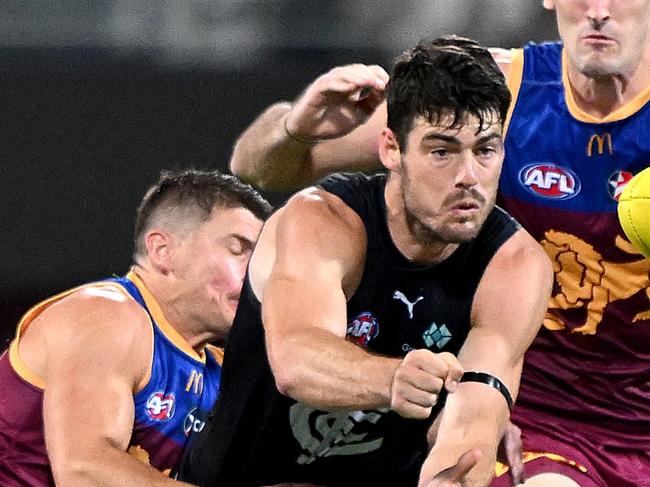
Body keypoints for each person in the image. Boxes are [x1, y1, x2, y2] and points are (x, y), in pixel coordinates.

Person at [226, 2, 650, 486]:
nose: (597, 11)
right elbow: (257, 167)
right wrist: (292, 130)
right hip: (535, 417)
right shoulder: (492, 92)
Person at [177, 39, 552, 487]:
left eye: (485, 150)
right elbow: (296, 360)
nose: (468, 176)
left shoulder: (515, 266)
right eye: (441, 151)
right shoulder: (323, 221)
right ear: (391, 149)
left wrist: (450, 475)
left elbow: (473, 420)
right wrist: (394, 378)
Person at [0, 169, 272, 486]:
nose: (257, 273)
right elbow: (83, 471)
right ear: (162, 250)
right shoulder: (107, 316)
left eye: (263, 258)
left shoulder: (221, 368)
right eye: (239, 249)